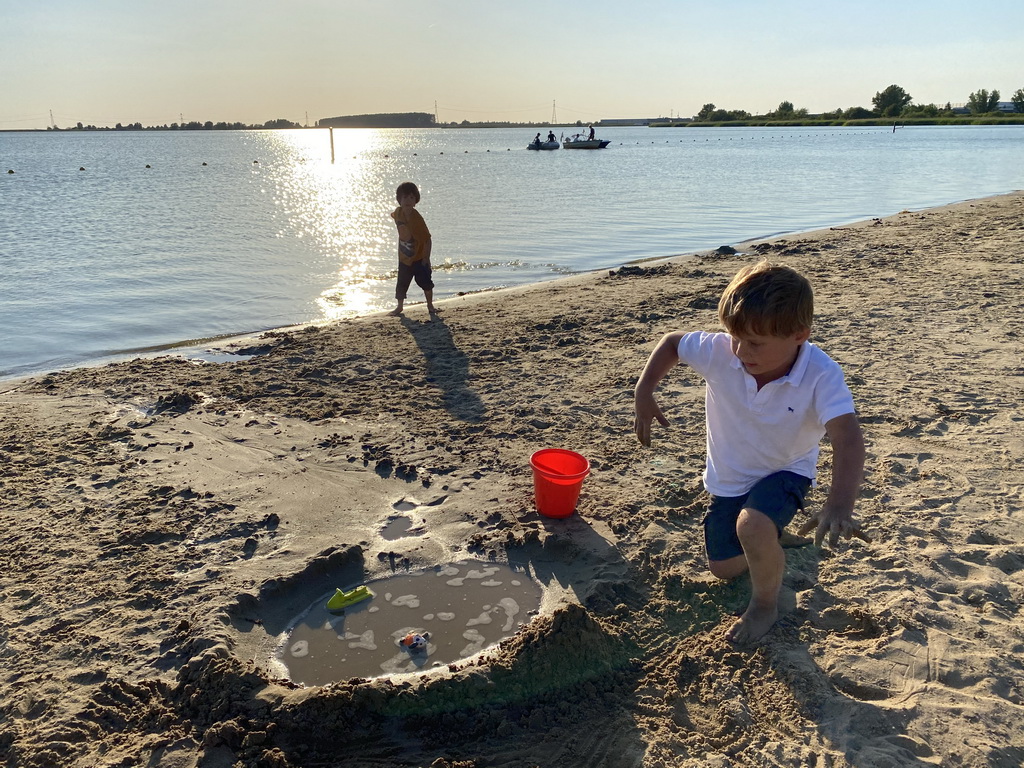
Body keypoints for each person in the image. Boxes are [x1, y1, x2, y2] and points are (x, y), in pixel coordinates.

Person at [633, 260, 865, 645]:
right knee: (723, 567)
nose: (741, 350)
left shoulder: (821, 374)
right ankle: (773, 536)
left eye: (755, 343)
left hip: (786, 469)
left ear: (799, 335)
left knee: (751, 527)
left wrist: (839, 505)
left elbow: (848, 438)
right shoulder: (722, 351)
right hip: (730, 477)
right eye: (734, 336)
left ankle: (764, 605)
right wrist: (644, 390)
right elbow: (673, 342)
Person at [389, 181, 436, 317]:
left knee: (425, 282)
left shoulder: (417, 219)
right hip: (404, 257)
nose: (407, 201)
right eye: (404, 198)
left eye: (411, 198)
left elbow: (427, 238)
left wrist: (426, 258)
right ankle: (399, 307)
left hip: (419, 257)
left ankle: (430, 305)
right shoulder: (398, 212)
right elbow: (394, 216)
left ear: (416, 201)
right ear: (399, 200)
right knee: (402, 282)